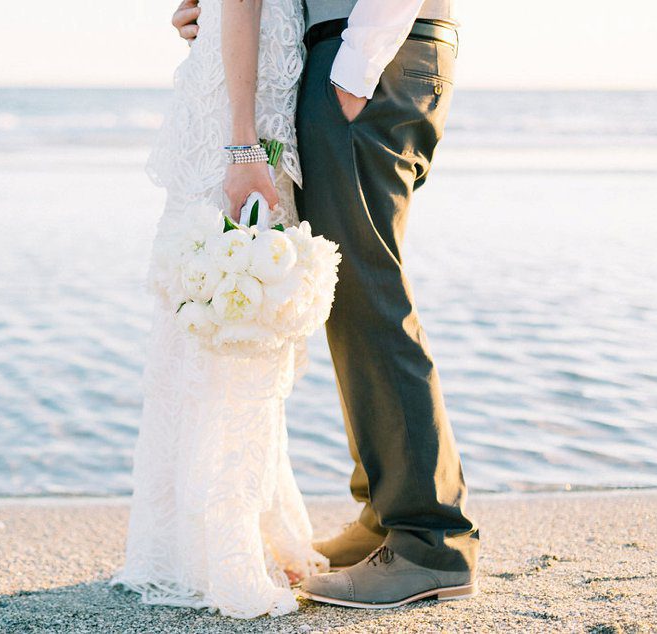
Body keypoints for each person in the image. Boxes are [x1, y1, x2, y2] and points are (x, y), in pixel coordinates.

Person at [174, 0, 481, 609]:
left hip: (368, 53)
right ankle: (385, 516)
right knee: (350, 299)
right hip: (362, 51)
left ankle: (429, 540)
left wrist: (356, 68)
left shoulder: (358, 64)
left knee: (370, 294)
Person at [110, 0, 327, 619]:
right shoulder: (241, 135)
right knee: (236, 322)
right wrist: (241, 145)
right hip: (243, 115)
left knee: (220, 318)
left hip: (245, 89)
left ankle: (203, 540)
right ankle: (221, 551)